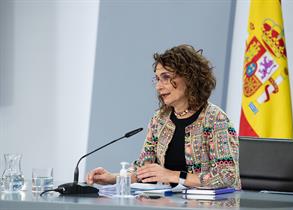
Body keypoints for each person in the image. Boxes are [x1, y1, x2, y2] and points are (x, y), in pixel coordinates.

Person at [86, 44, 241, 189]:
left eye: (166, 77)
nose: (158, 86)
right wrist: (112, 178)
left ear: (189, 77)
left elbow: (227, 177)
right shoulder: (160, 120)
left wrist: (173, 175)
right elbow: (143, 170)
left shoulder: (216, 119)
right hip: (167, 203)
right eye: (158, 79)